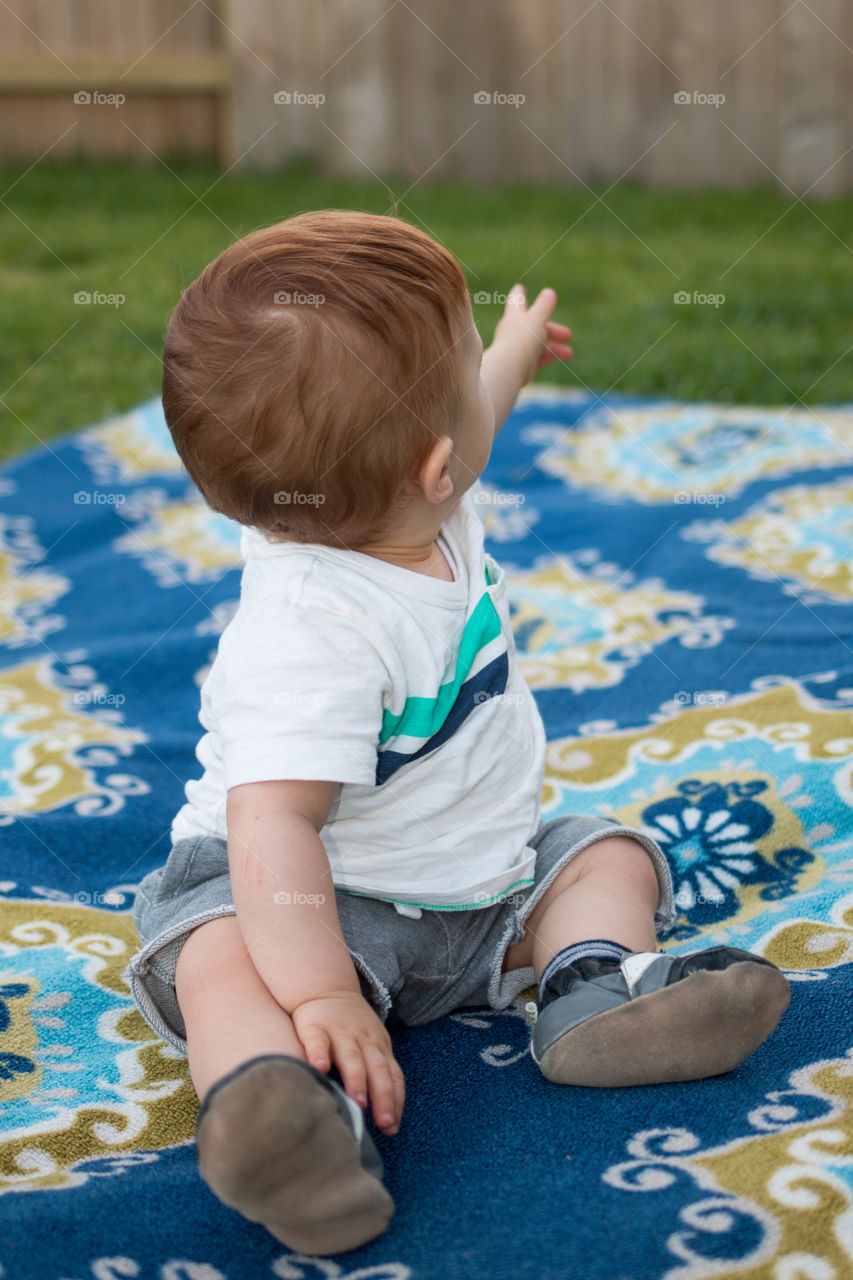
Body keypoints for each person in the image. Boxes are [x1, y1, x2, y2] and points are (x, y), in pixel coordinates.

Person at [127, 210, 790, 1256]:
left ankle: (591, 985)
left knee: (601, 849)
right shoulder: (310, 630)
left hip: (478, 889)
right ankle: (283, 1104)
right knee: (217, 957)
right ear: (436, 464)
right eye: (471, 359)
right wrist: (319, 990)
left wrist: (513, 357)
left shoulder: (411, 503)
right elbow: (269, 829)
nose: (484, 375)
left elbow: (456, 421)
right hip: (297, 901)